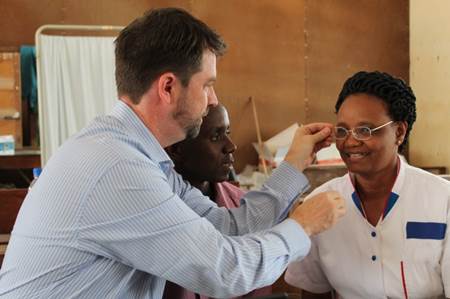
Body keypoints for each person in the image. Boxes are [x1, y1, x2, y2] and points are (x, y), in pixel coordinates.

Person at [0, 8, 346, 299]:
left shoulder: (143, 158)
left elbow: (228, 226)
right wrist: (303, 226)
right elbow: (226, 272)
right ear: (168, 87)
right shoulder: (117, 167)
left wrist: (293, 164)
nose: (212, 99)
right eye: (207, 84)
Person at [285, 71, 450, 299]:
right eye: (342, 130)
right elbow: (313, 291)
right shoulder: (319, 204)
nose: (351, 142)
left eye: (365, 130)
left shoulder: (442, 199)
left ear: (399, 132)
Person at [163, 103, 272, 299]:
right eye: (215, 136)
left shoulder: (242, 205)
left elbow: (257, 285)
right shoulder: (156, 210)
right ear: (177, 149)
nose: (231, 146)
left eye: (228, 132)